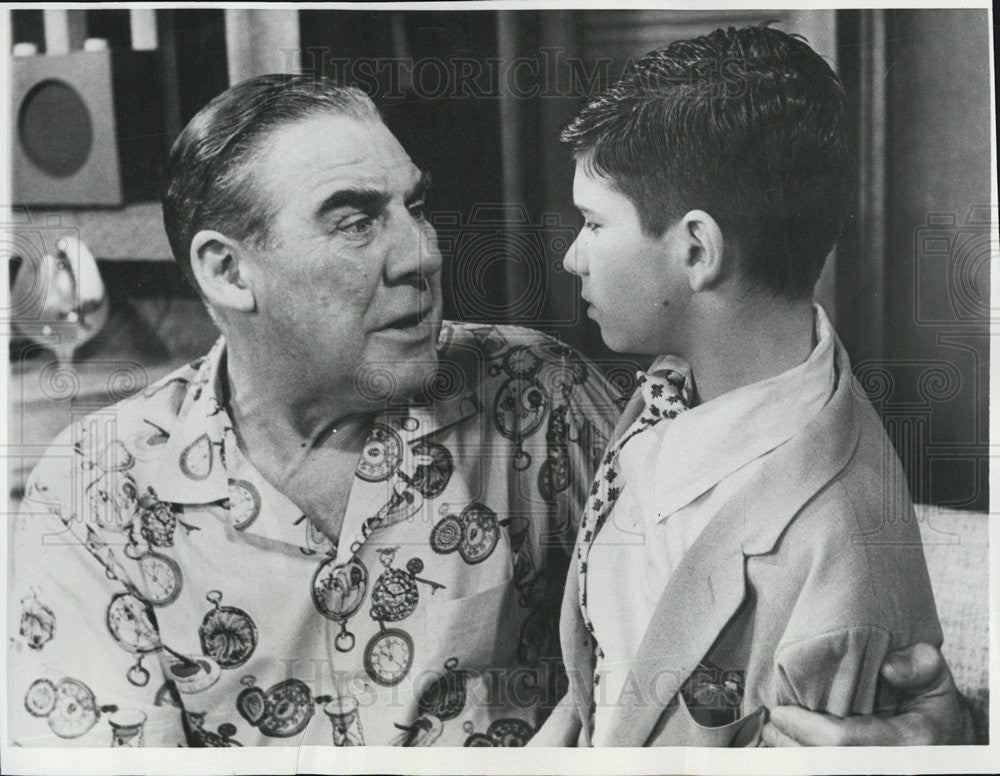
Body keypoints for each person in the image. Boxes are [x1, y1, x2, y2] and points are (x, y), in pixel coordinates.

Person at [7, 73, 970, 750]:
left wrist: (944, 739)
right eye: (354, 220)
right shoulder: (95, 496)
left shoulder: (534, 398)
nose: (422, 253)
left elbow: (755, 561)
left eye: (414, 207)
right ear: (226, 269)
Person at [531, 26, 965, 747]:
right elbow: (609, 679)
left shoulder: (836, 555)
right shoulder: (675, 385)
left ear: (697, 250)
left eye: (593, 223)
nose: (575, 256)